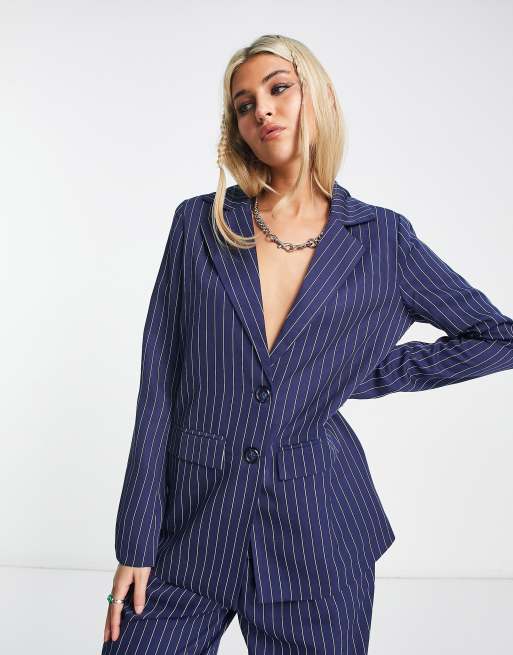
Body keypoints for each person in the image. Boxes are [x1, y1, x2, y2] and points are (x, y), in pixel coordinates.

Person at [102, 34, 513, 654]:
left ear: (318, 97)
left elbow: (496, 335)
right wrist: (134, 542)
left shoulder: (382, 240)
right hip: (190, 532)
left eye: (279, 89)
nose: (261, 110)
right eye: (244, 104)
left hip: (316, 537)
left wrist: (363, 371)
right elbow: (158, 389)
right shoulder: (199, 225)